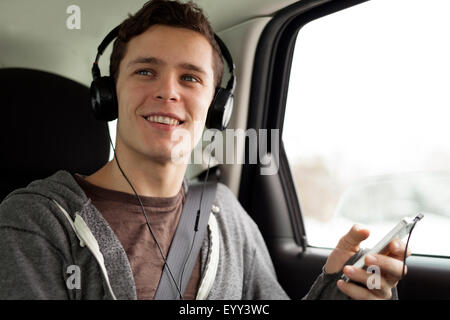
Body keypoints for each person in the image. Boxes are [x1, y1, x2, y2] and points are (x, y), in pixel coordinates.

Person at [0, 0, 408, 300]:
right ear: (108, 95)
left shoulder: (225, 214)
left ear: (216, 107)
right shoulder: (35, 222)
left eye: (191, 78)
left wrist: (333, 289)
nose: (167, 91)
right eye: (146, 71)